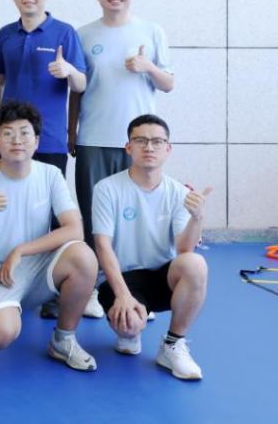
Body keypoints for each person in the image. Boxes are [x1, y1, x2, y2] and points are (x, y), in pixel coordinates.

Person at [0, 101, 99, 372]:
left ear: (36, 141)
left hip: (34, 266)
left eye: (24, 133)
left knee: (83, 256)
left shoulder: (50, 175)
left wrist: (21, 250)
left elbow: (74, 230)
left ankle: (63, 340)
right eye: (7, 133)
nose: (17, 140)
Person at [69, 0, 175, 317]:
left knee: (135, 222)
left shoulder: (151, 31)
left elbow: (168, 83)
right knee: (93, 218)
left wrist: (148, 68)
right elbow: (77, 90)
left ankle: (139, 289)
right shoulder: (83, 35)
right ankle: (89, 288)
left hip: (140, 142)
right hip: (94, 138)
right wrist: (72, 131)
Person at [92, 114, 209, 380]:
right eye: (141, 140)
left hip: (163, 276)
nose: (149, 147)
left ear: (168, 149)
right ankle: (131, 327)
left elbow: (184, 250)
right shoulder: (107, 189)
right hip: (124, 278)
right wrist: (123, 295)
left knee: (195, 264)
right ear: (128, 147)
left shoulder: (178, 192)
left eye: (157, 141)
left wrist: (197, 218)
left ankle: (173, 345)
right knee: (130, 326)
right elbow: (102, 245)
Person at [0, 0, 86, 176]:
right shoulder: (5, 34)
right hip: (9, 138)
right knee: (7, 194)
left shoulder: (65, 32)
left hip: (50, 138)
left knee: (49, 196)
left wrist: (69, 71)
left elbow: (81, 85)